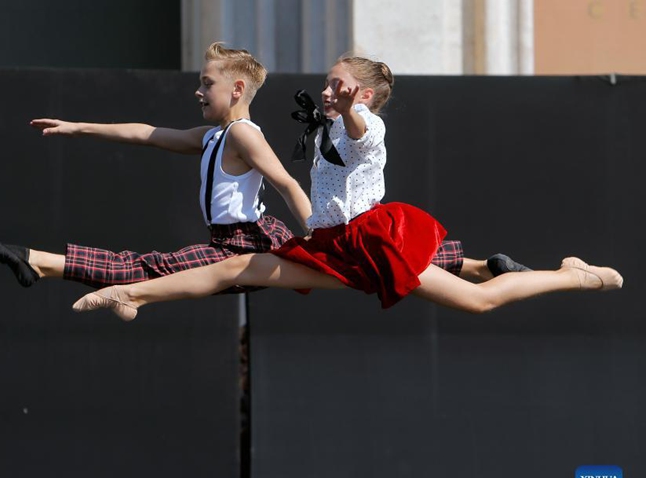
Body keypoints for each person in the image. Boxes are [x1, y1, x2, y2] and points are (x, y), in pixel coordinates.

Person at [71, 56, 623, 320]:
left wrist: (349, 108)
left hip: (373, 240)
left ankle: (573, 277)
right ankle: (132, 293)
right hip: (331, 244)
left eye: (340, 84)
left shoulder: (367, 124)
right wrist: (80, 127)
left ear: (364, 94)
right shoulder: (329, 121)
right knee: (236, 269)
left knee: (478, 303)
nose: (328, 89)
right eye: (329, 81)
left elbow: (359, 132)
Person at [0, 42, 523, 291]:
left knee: (149, 268)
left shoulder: (241, 133)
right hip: (240, 238)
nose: (197, 91)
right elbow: (147, 133)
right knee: (383, 261)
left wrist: (323, 236)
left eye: (206, 84)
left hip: (246, 240)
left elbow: (285, 181)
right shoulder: (215, 134)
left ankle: (41, 262)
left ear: (236, 89)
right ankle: (476, 264)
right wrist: (78, 128)